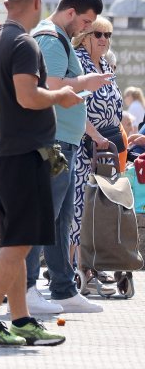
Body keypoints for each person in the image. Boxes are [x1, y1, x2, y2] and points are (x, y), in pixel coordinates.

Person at [0, 0, 81, 347]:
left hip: (5, 153)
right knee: (18, 245)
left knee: (16, 241)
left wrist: (6, 137)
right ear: (36, 1)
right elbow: (28, 96)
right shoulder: (23, 43)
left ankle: (21, 319)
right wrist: (61, 94)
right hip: (24, 155)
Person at [24, 0, 111, 315]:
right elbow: (52, 86)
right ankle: (31, 286)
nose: (88, 29)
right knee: (46, 213)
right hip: (54, 141)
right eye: (87, 21)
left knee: (57, 217)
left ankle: (62, 288)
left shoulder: (53, 36)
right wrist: (86, 83)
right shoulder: (52, 37)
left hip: (61, 140)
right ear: (71, 12)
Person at [70, 16, 123, 291]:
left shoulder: (104, 63)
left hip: (107, 148)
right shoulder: (78, 60)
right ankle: (80, 271)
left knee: (98, 209)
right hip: (84, 146)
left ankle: (89, 267)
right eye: (98, 34)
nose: (104, 39)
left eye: (108, 34)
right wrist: (97, 135)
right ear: (85, 35)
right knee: (81, 210)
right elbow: (75, 105)